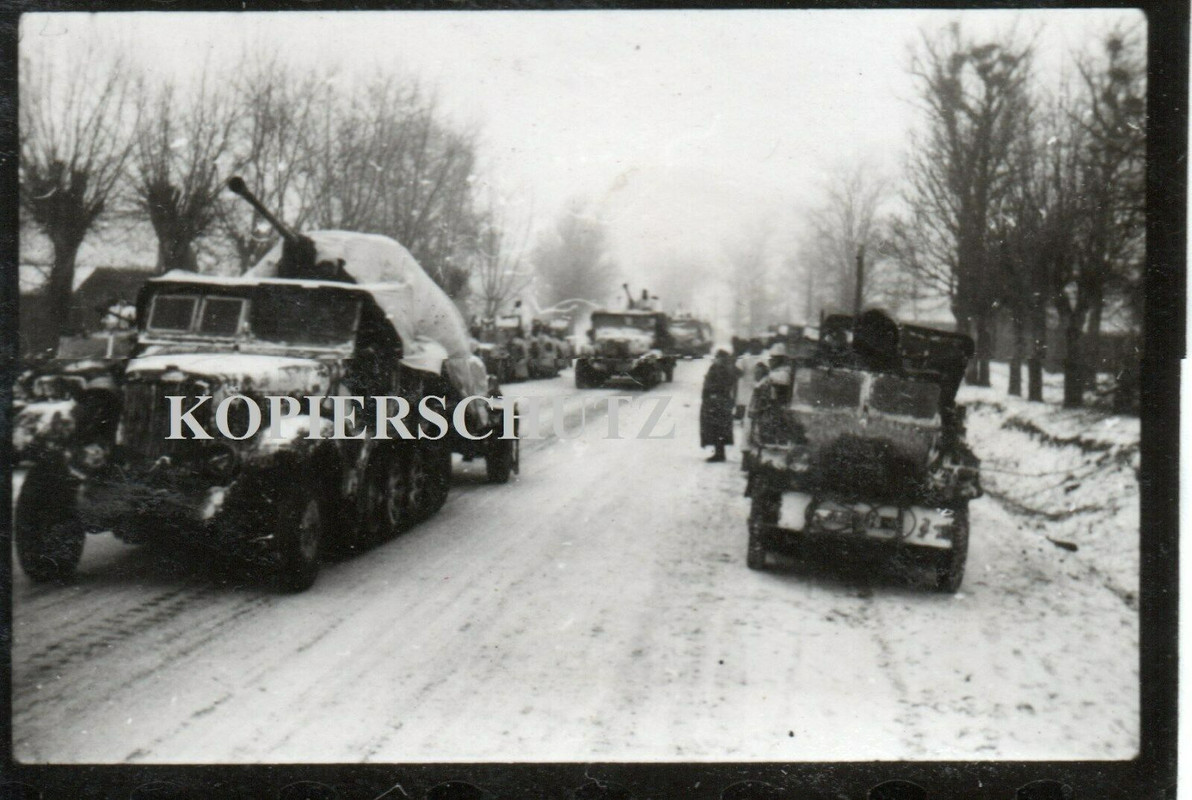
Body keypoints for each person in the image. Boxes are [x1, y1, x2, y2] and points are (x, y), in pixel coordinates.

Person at [701, 349, 741, 462]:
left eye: (718, 357)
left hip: (716, 401)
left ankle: (719, 453)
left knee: (716, 427)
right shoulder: (728, 369)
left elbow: (713, 384)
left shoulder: (719, 369)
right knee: (720, 427)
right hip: (723, 400)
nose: (717, 359)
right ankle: (719, 452)